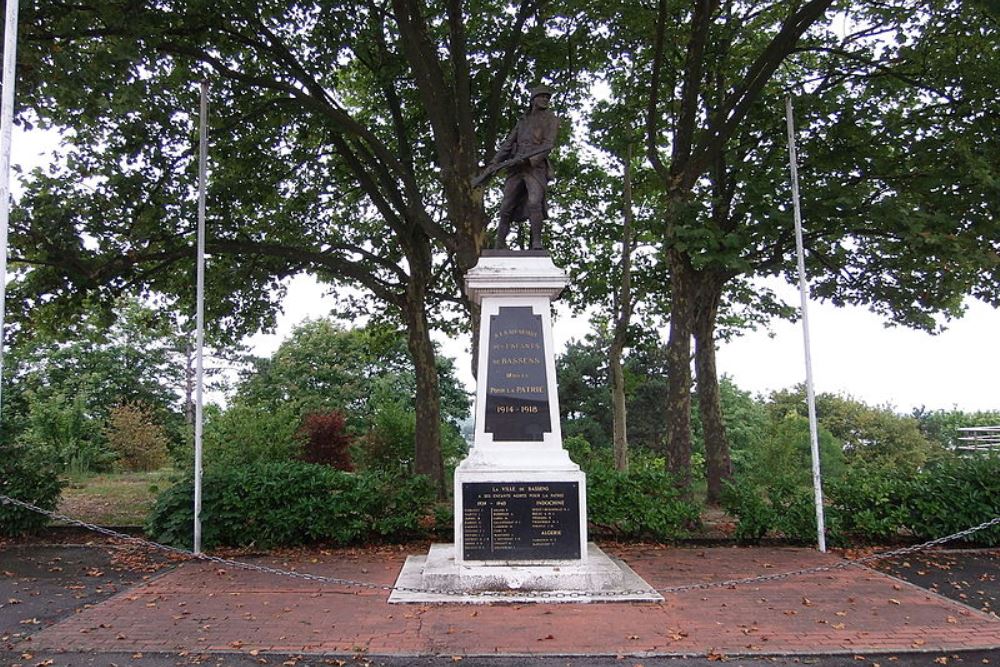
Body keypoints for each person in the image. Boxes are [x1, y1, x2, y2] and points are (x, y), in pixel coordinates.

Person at [488, 85, 560, 250]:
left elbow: (548, 145)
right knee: (506, 206)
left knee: (535, 202)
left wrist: (529, 160)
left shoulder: (551, 119)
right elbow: (508, 144)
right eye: (542, 97)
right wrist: (494, 163)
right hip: (515, 167)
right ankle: (499, 243)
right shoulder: (523, 121)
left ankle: (536, 242)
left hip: (535, 167)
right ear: (533, 99)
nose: (545, 100)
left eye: (547, 98)